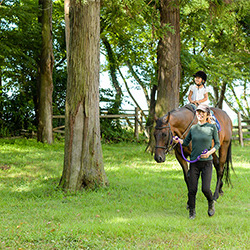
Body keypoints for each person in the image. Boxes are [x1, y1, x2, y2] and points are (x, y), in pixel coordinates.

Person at [173, 104, 220, 219]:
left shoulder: (212, 128)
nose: (199, 114)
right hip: (194, 162)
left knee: (205, 189)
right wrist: (178, 140)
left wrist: (209, 153)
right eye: (198, 112)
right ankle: (192, 212)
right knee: (192, 189)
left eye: (202, 112)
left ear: (207, 114)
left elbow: (217, 144)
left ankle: (211, 202)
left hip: (207, 163)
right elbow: (185, 142)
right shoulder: (193, 128)